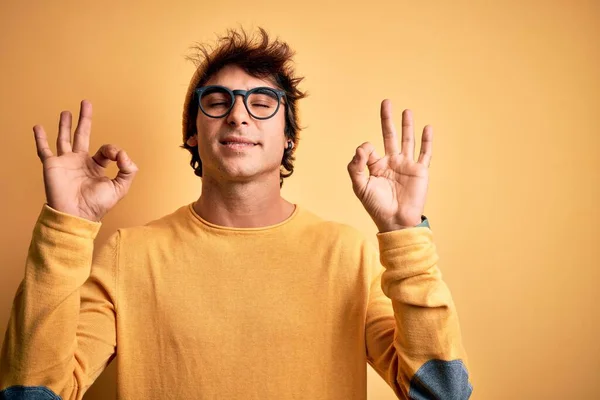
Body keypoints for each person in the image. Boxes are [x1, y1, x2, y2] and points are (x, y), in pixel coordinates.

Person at [0, 28, 472, 400]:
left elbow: (442, 393)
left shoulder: (347, 254)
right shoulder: (131, 255)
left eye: (262, 103)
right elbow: (35, 394)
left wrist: (404, 233)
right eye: (217, 101)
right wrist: (65, 227)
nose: (239, 116)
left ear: (289, 137)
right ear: (193, 132)